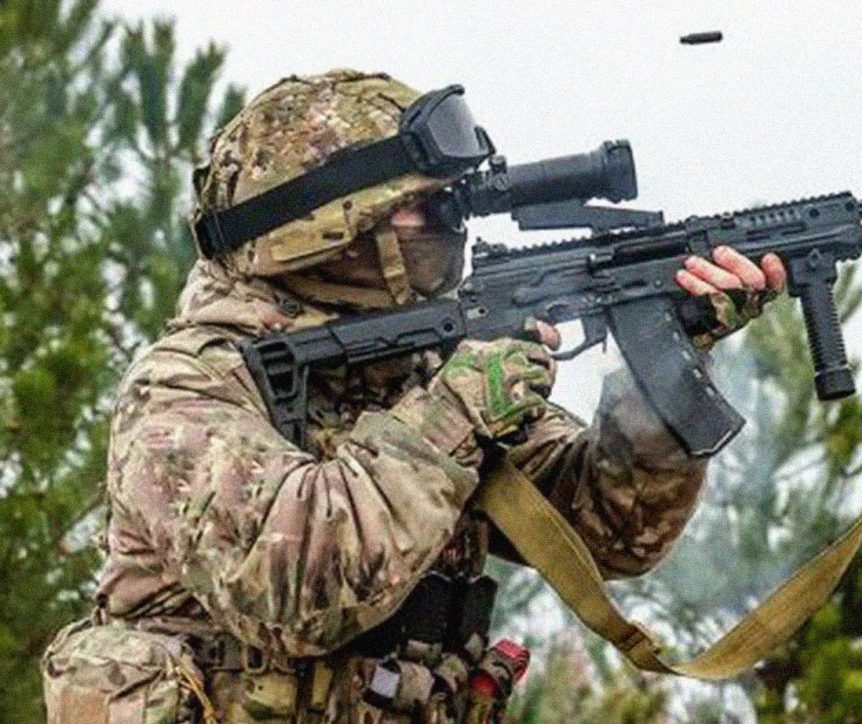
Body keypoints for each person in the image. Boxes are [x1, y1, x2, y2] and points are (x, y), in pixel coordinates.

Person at [41, 70, 786, 723]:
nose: (447, 225)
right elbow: (302, 595)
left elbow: (611, 532)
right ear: (325, 228)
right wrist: (455, 414)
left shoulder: (424, 364)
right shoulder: (187, 387)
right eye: (421, 208)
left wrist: (662, 363)